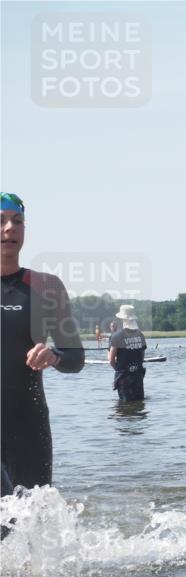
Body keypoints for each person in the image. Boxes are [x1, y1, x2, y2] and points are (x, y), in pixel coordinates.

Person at [1, 192, 84, 494]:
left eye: (17, 221)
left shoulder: (46, 287)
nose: (9, 228)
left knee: (29, 518)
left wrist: (54, 355)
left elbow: (75, 358)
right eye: (1, 221)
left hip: (29, 427)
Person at [108, 304, 147, 401]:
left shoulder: (116, 336)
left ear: (122, 319)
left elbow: (111, 360)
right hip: (138, 375)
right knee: (139, 402)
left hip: (124, 377)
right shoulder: (140, 335)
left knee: (125, 405)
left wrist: (119, 370)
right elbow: (142, 357)